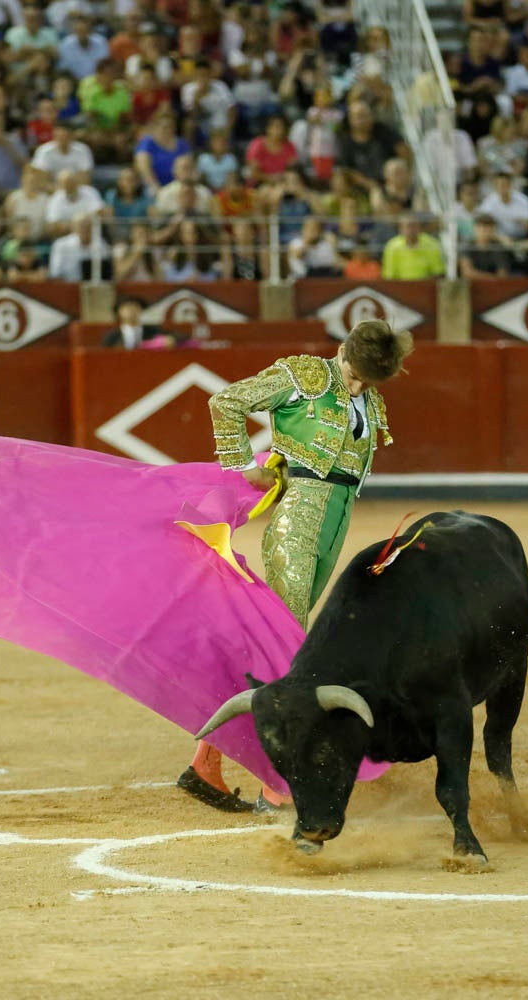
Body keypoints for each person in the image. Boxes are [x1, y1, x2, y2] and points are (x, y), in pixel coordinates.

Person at [180, 319, 413, 814]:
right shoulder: (305, 375)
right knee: (285, 642)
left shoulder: (370, 398)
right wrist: (245, 465)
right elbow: (227, 402)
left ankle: (207, 763)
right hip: (299, 510)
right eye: (356, 375)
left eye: (370, 380)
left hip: (337, 514)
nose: (359, 386)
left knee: (290, 639)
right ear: (343, 353)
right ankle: (273, 778)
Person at [100, 295, 179, 349]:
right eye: (127, 307)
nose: (131, 310)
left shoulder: (153, 331)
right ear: (119, 312)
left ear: (140, 310)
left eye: (135, 306)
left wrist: (171, 340)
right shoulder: (113, 336)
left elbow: (181, 338)